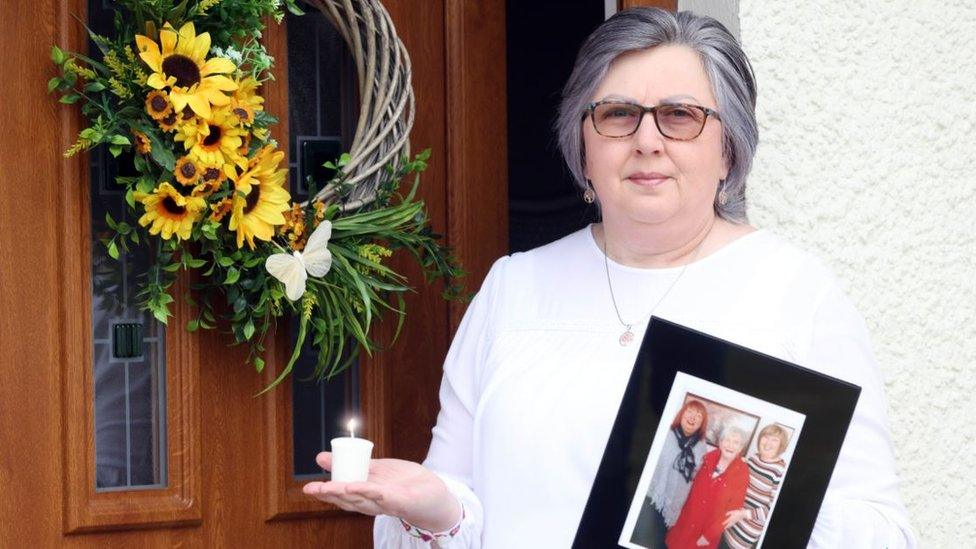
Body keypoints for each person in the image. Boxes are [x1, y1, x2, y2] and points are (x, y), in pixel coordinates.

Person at [301, 8, 917, 548]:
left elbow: (883, 532)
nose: (647, 140)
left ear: (729, 150)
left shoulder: (795, 294)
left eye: (680, 115)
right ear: (583, 145)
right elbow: (458, 518)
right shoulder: (515, 288)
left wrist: (748, 502)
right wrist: (435, 508)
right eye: (619, 114)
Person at [630, 400, 710, 547]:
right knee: (641, 539)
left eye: (698, 416)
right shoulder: (665, 434)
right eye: (690, 412)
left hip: (675, 505)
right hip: (651, 496)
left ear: (702, 423)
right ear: (682, 414)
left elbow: (697, 479)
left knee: (659, 541)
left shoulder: (701, 448)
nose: (693, 417)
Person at [665, 425, 750, 549]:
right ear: (720, 443)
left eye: (736, 442)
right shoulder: (706, 459)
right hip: (684, 525)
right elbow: (689, 492)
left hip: (705, 535)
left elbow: (732, 512)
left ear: (740, 448)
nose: (730, 445)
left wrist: (708, 536)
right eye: (727, 440)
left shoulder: (742, 472)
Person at [720, 424, 791, 548]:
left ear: (781, 445)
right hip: (726, 527)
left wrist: (743, 514)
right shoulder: (753, 459)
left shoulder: (781, 471)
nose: (768, 442)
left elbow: (774, 510)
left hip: (742, 538)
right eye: (766, 437)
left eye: (774, 440)